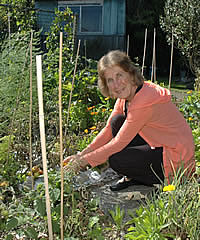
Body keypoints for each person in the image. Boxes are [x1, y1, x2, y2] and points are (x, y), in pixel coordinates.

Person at [64, 50, 196, 191]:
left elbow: (119, 143)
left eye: (119, 75)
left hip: (176, 156)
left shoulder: (144, 100)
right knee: (117, 121)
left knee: (117, 159)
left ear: (130, 73)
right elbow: (109, 129)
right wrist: (81, 154)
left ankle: (155, 181)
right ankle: (135, 177)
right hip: (159, 145)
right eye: (110, 80)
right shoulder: (126, 97)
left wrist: (82, 163)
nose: (117, 84)